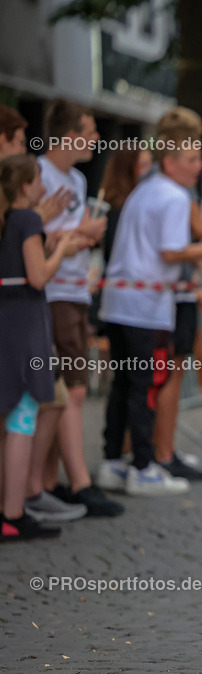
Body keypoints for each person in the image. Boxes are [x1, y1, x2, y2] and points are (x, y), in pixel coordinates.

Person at [97, 109, 202, 496]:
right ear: (170, 162)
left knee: (124, 384)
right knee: (145, 386)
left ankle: (113, 462)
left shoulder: (144, 189)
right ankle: (144, 468)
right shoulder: (173, 196)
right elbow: (171, 251)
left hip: (120, 303)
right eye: (191, 159)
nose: (199, 166)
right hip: (145, 308)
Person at [31, 100, 123, 517]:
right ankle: (76, 482)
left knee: (68, 390)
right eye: (89, 131)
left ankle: (49, 482)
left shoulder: (78, 179)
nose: (96, 138)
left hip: (74, 290)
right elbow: (31, 234)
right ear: (68, 135)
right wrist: (79, 231)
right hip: (52, 292)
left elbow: (61, 235)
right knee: (71, 389)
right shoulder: (40, 173)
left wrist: (85, 236)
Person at [0, 155, 83, 540]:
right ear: (24, 187)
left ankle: (10, 508)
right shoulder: (27, 221)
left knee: (11, 414)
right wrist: (61, 250)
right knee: (24, 414)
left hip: (8, 319)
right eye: (38, 181)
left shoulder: (8, 221)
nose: (44, 187)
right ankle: (13, 512)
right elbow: (37, 276)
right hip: (25, 323)